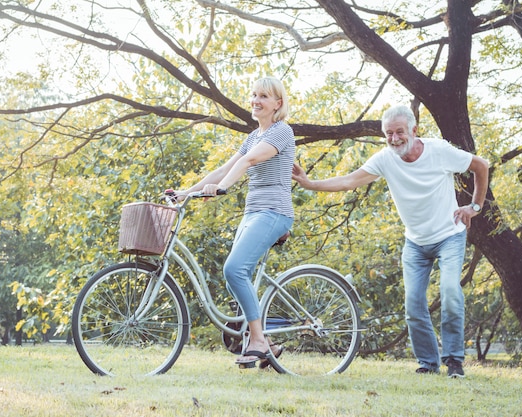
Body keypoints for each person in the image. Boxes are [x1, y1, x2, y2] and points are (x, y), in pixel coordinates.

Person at [291, 105, 489, 378]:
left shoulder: (439, 151)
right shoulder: (385, 159)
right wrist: (311, 183)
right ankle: (428, 363)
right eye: (389, 134)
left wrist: (474, 207)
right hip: (416, 242)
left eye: (399, 132)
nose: (394, 139)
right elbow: (350, 181)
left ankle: (454, 361)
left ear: (414, 130)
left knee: (450, 292)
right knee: (413, 303)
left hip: (449, 236)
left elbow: (481, 165)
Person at [177, 76, 295, 367]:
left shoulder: (282, 132)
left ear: (277, 104)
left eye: (264, 96)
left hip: (274, 211)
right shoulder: (253, 136)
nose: (256, 101)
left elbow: (248, 163)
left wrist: (223, 188)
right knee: (234, 279)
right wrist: (186, 192)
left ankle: (255, 340)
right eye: (254, 95)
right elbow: (225, 167)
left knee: (234, 268)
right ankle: (266, 343)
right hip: (253, 213)